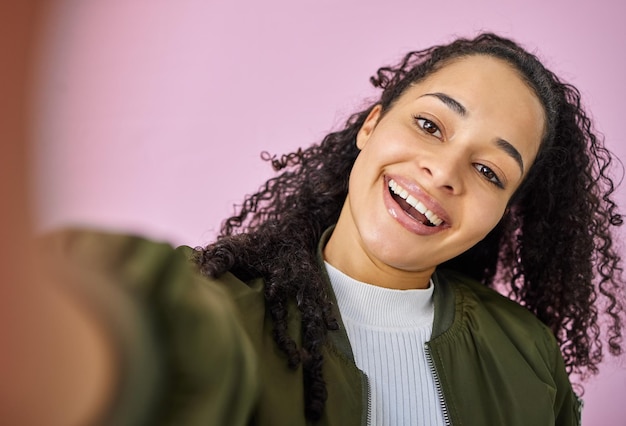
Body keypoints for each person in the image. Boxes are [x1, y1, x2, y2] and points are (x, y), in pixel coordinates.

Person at [32, 33, 623, 425]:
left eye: (490, 170)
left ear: (504, 211)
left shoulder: (529, 357)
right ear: (372, 125)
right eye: (429, 124)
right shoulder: (203, 307)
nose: (443, 172)